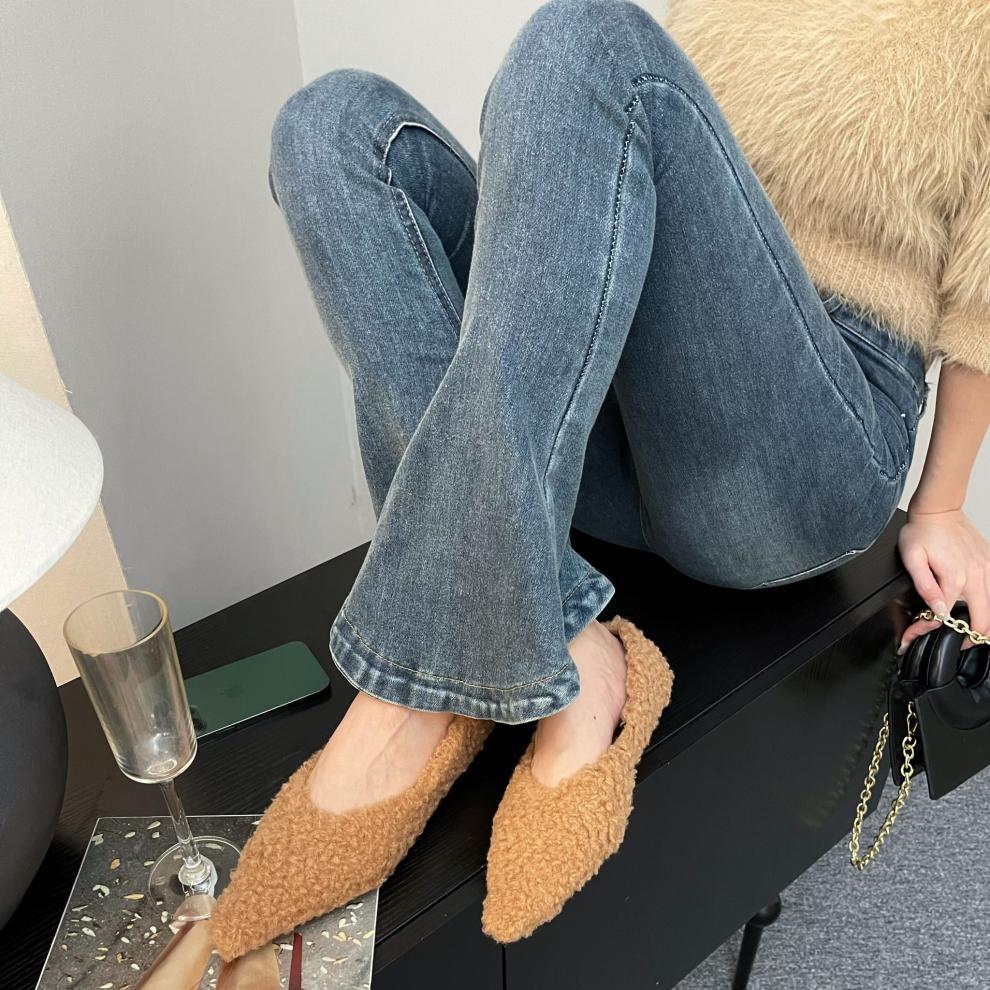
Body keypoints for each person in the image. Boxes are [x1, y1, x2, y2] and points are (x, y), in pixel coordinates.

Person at [211, 0, 990, 958]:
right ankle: (558, 628)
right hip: (627, 411)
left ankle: (408, 692)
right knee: (331, 126)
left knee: (585, 37)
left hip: (802, 447)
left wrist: (941, 502)